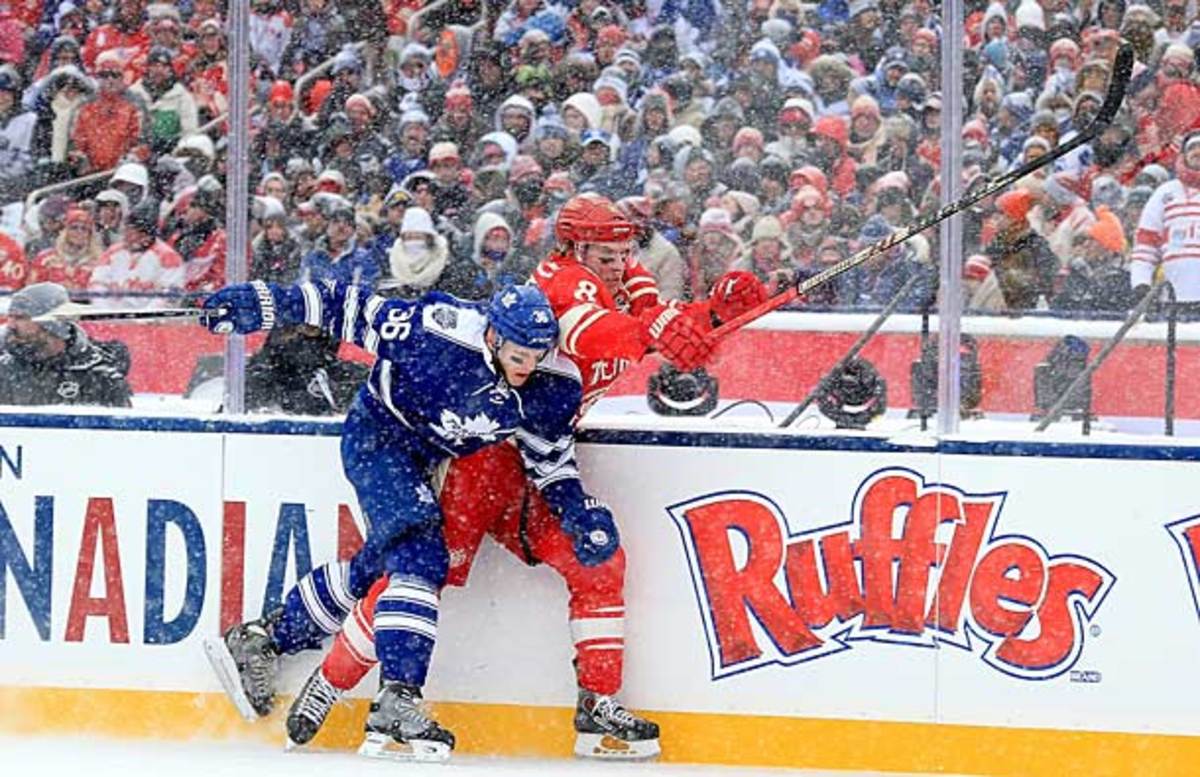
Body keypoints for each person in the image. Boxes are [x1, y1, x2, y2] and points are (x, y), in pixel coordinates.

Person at [202, 280, 614, 762]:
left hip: (430, 459)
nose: (527, 367)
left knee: (380, 570)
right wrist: (266, 304)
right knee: (421, 556)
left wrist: (578, 513)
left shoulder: (555, 383)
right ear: (493, 337)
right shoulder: (438, 331)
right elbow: (347, 305)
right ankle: (397, 698)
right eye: (518, 355)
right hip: (380, 439)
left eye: (536, 355)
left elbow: (551, 462)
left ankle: (263, 638)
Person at [0, 282, 132, 407]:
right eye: (10, 317)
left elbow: (120, 428)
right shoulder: (5, 370)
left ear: (52, 325)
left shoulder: (99, 378)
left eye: (21, 318)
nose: (10, 325)